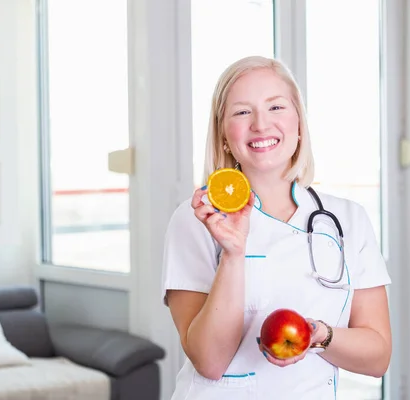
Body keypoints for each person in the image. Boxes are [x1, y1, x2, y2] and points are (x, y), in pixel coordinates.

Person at [161, 55, 392, 399]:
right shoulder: (198, 219)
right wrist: (234, 253)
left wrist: (319, 334)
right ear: (224, 135)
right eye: (242, 112)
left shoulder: (348, 220)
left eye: (276, 107)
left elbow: (378, 357)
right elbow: (209, 362)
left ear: (299, 124)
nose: (260, 124)